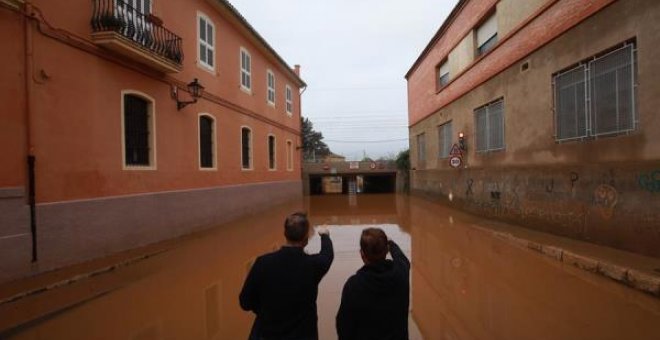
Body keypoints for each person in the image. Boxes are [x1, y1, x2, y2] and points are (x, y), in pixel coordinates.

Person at [239, 212, 334, 340]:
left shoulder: (262, 263)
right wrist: (324, 235)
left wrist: (265, 310)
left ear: (285, 234)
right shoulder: (313, 266)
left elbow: (245, 302)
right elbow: (327, 255)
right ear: (306, 238)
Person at [336, 228, 410, 340]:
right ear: (386, 251)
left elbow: (344, 327)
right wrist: (390, 243)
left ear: (362, 254)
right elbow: (402, 259)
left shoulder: (354, 285)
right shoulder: (401, 274)